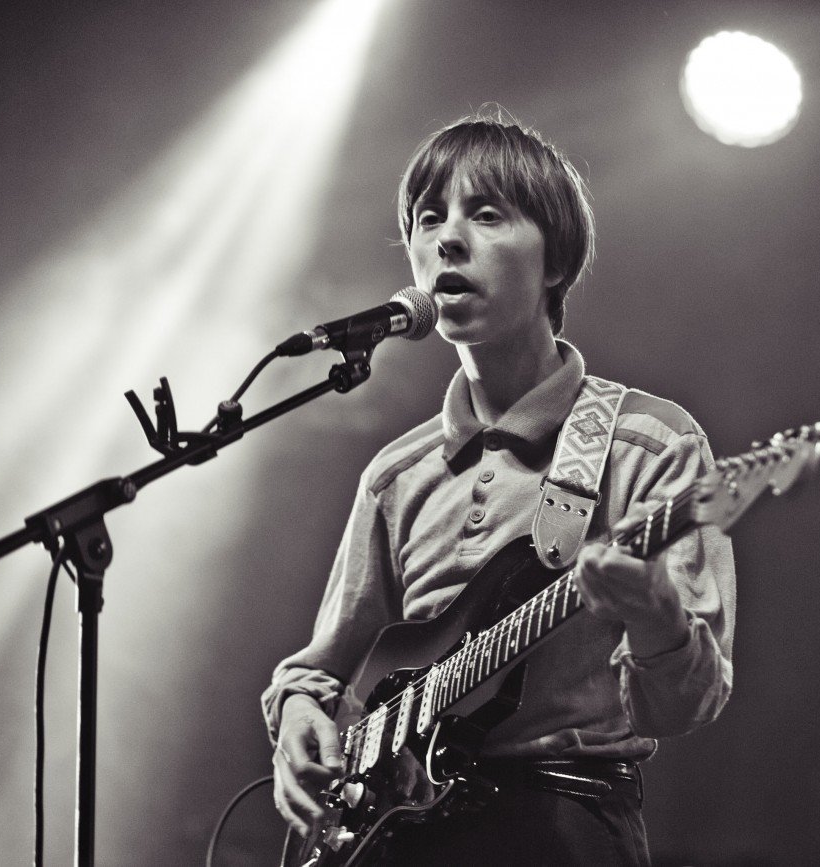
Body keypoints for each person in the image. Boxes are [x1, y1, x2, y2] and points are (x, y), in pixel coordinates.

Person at [261, 110, 735, 865]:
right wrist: (297, 714)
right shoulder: (398, 475)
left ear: (555, 262)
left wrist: (656, 614)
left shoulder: (649, 442)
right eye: (428, 218)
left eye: (486, 215)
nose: (448, 239)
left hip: (564, 824)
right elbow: (320, 668)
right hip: (394, 835)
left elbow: (685, 704)